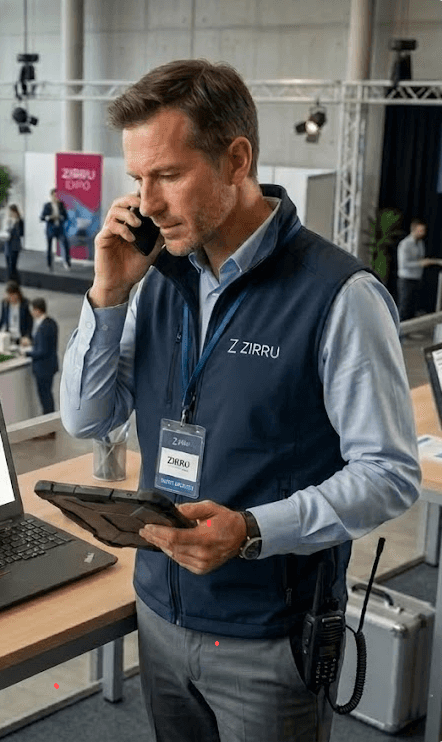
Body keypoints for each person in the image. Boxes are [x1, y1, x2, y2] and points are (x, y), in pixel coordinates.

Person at [60, 59, 420, 742]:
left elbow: (389, 475)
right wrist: (106, 295)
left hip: (268, 637)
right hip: (161, 613)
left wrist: (253, 531)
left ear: (236, 159)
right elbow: (88, 417)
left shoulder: (339, 297)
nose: (148, 203)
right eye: (138, 180)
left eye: (167, 175)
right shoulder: (154, 279)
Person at [22, 298, 58, 414]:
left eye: (32, 310)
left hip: (43, 368)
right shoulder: (51, 322)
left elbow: (42, 351)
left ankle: (48, 425)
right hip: (51, 365)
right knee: (48, 394)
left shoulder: (42, 328)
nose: (31, 313)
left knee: (45, 397)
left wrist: (26, 353)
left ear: (37, 310)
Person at [395, 218, 435, 321]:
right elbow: (404, 264)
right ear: (414, 230)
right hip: (406, 279)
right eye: (421, 230)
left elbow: (420, 257)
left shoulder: (420, 243)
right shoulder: (405, 244)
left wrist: (425, 261)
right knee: (404, 307)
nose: (423, 233)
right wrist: (420, 263)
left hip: (417, 279)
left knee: (412, 308)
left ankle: (409, 331)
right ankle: (399, 332)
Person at [41, 188, 71, 270]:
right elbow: (42, 217)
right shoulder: (47, 205)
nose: (55, 197)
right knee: (49, 247)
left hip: (60, 229)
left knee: (65, 244)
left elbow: (66, 216)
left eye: (57, 196)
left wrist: (60, 217)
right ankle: (49, 264)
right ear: (51, 196)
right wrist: (49, 217)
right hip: (50, 229)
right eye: (54, 195)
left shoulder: (61, 205)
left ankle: (66, 262)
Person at [3, 204, 24, 282]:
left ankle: (15, 281)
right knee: (8, 265)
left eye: (11, 212)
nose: (10, 214)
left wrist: (15, 224)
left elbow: (21, 233)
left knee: (13, 265)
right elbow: (5, 231)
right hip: (8, 245)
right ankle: (9, 282)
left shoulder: (19, 221)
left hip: (15, 246)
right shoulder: (8, 221)